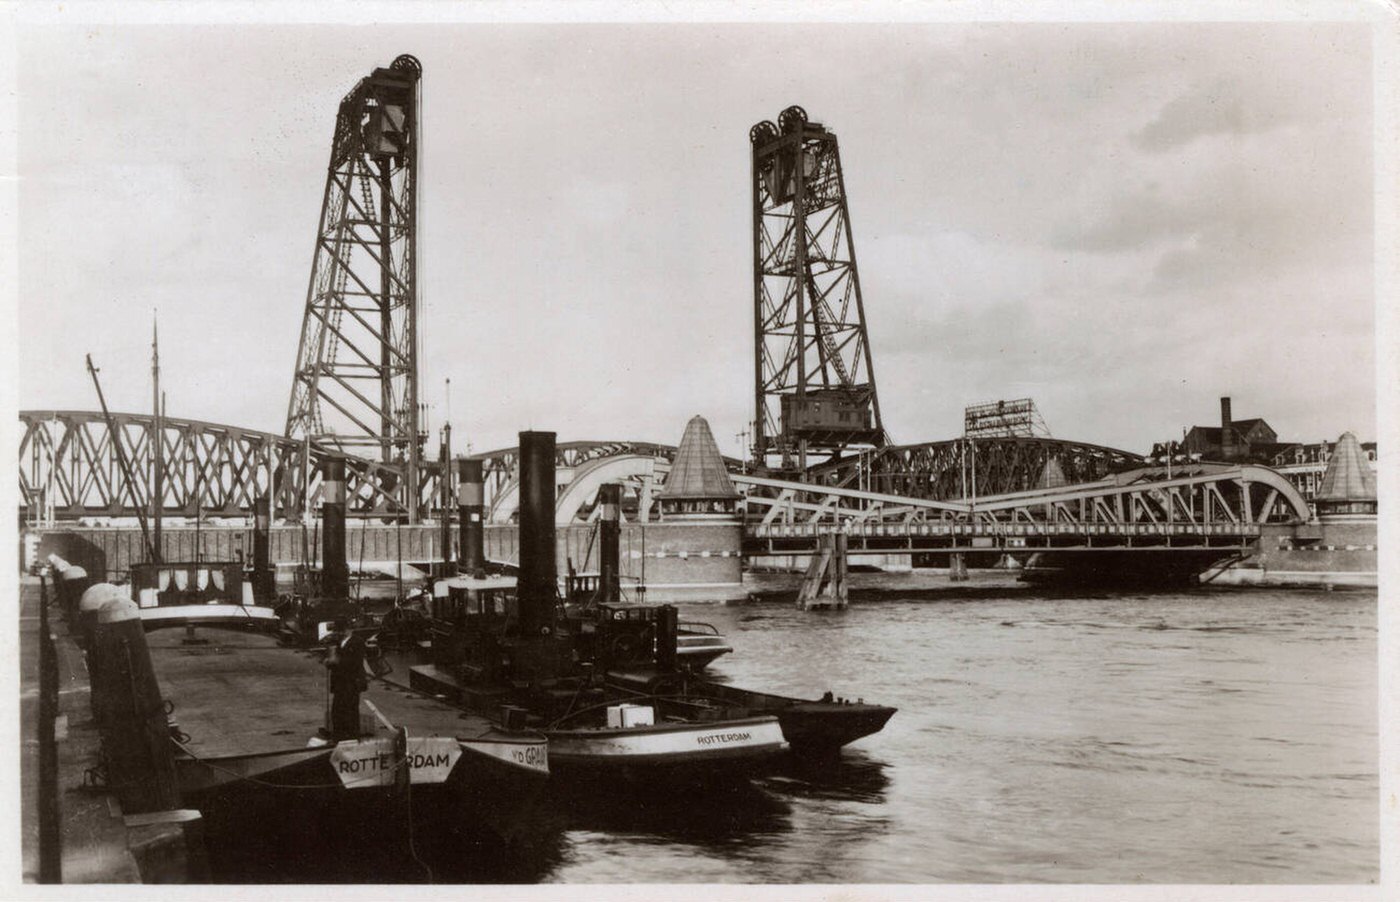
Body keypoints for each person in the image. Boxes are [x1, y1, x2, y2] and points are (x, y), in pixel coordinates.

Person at [325, 623, 368, 740]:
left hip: (352, 681)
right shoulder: (340, 642)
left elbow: (356, 662)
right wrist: (329, 663)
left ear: (350, 630)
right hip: (340, 682)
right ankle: (339, 735)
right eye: (339, 630)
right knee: (337, 709)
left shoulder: (358, 642)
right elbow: (336, 661)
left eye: (343, 630)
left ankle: (352, 735)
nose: (341, 633)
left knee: (351, 709)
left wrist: (337, 662)